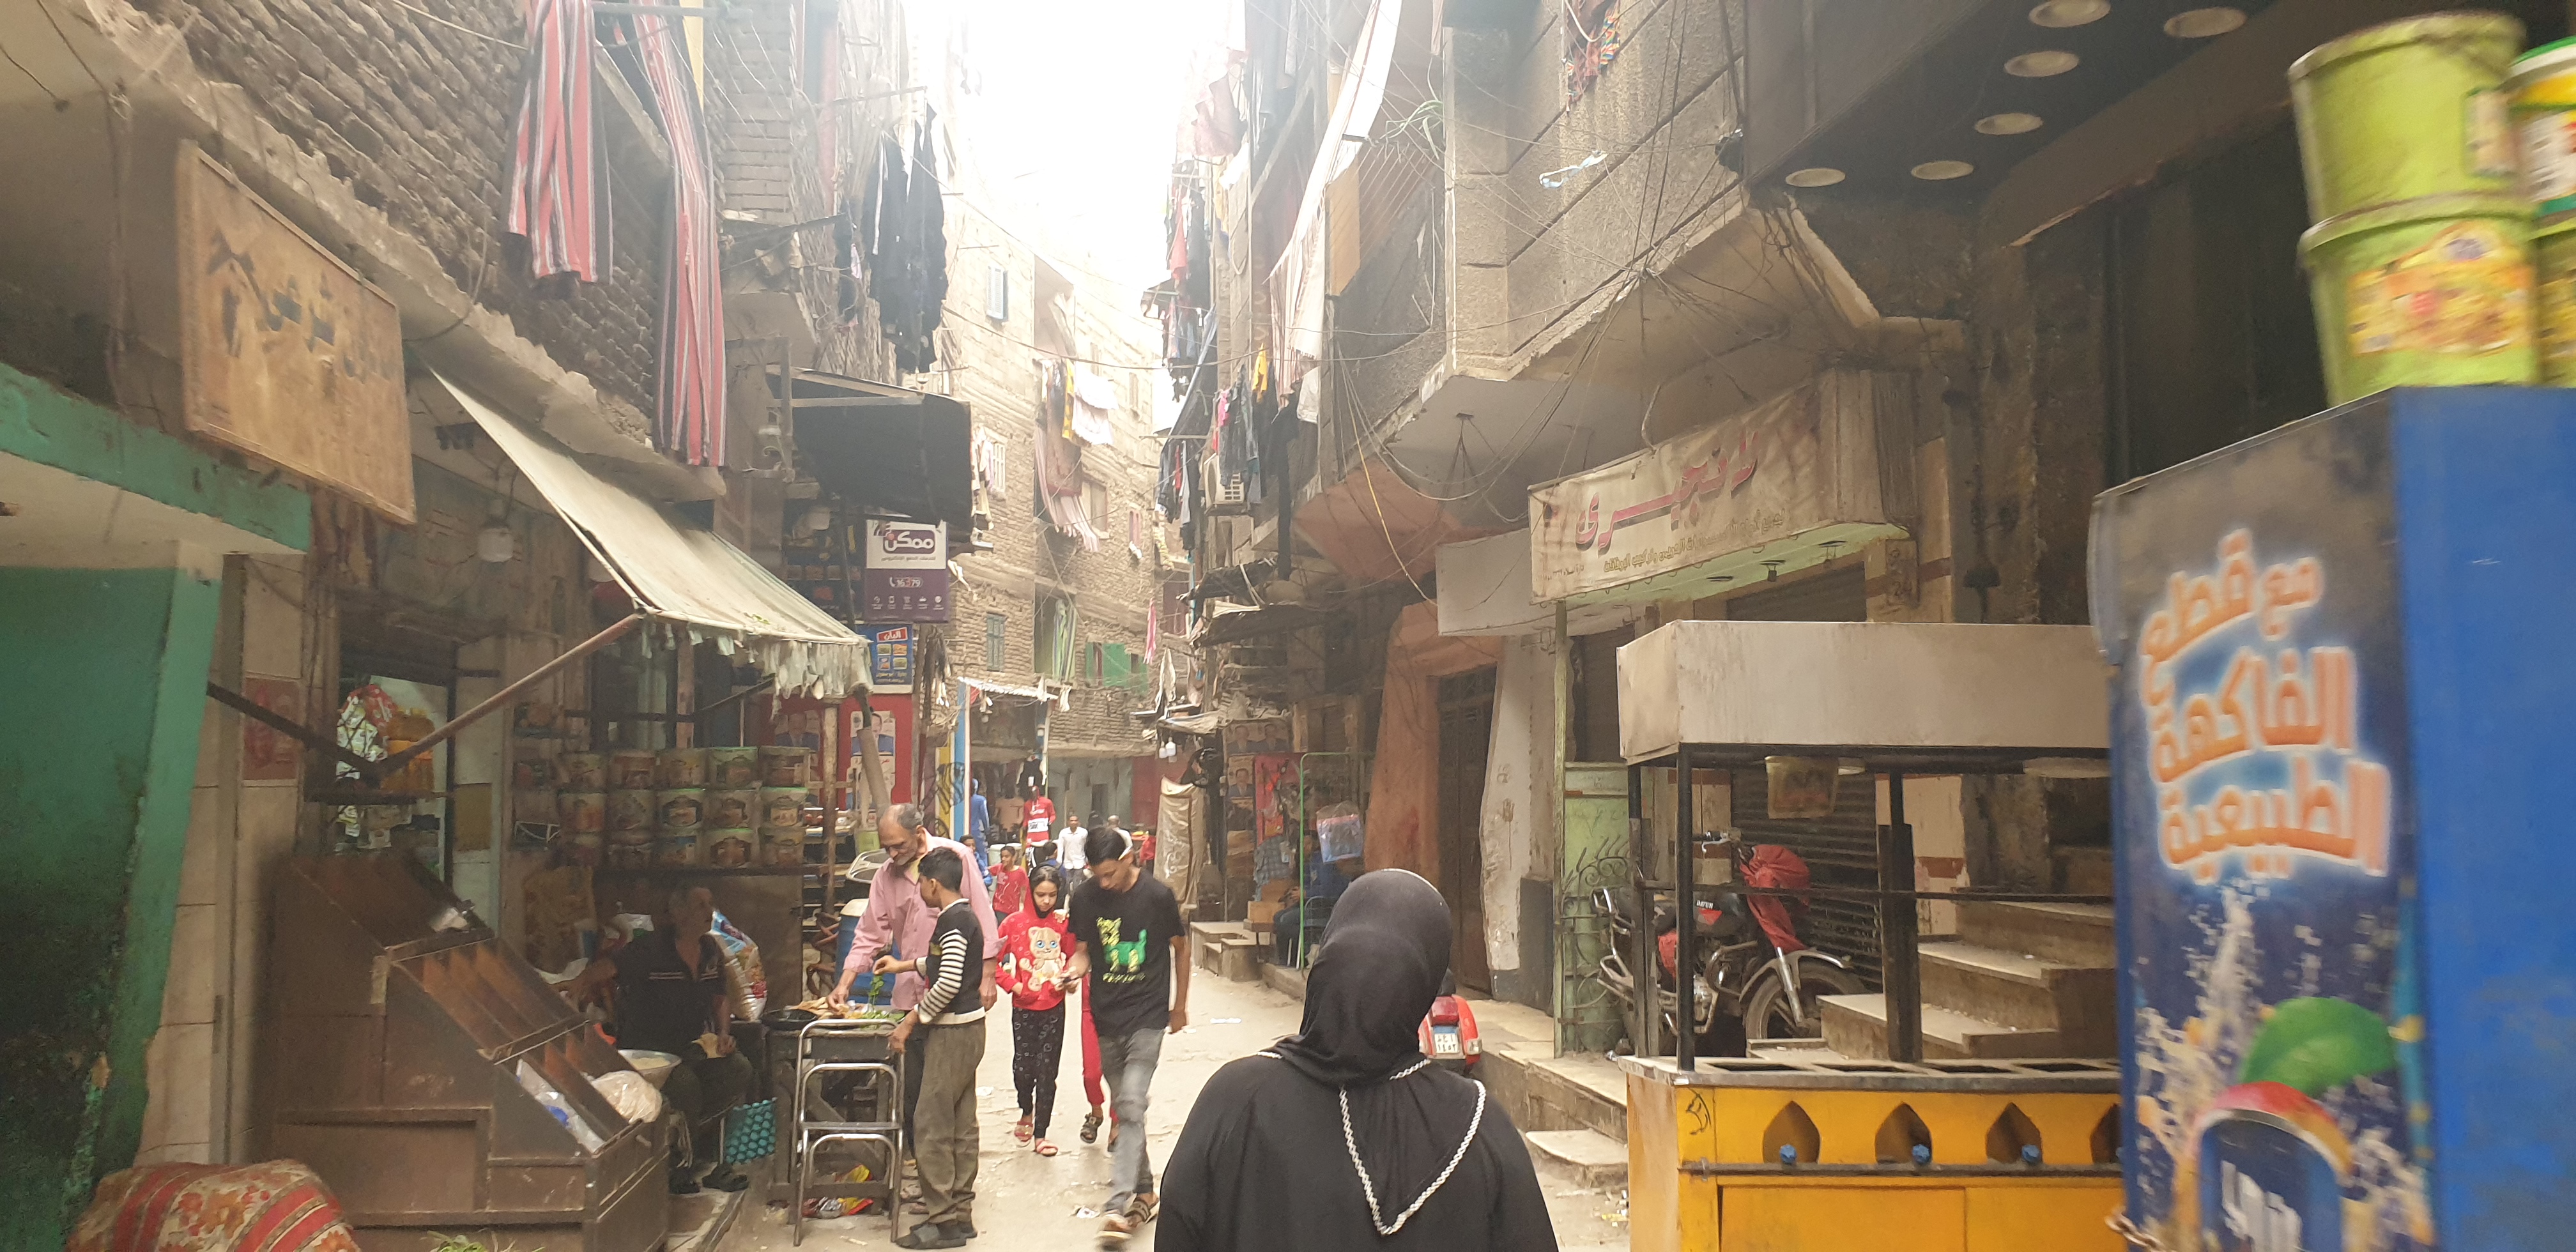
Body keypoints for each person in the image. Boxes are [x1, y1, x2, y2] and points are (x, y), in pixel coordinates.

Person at [1159, 871, 1558, 1252]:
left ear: (1325, 967)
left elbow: (1178, 1230)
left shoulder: (1234, 1100)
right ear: (1426, 985)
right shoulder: (1476, 1123)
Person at [829, 804, 1002, 1156]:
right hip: (910, 993)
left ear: (920, 833)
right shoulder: (885, 876)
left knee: (950, 1098)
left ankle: (948, 1172)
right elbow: (869, 933)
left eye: (899, 846)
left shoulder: (955, 858)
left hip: (954, 1005)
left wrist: (988, 975)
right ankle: (920, 1164)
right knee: (913, 1091)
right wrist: (844, 984)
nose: (893, 854)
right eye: (887, 847)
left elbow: (983, 917)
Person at [565, 885, 753, 1195]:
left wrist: (724, 1033)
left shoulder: (710, 950)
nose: (709, 912)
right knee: (685, 1086)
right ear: (678, 913)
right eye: (700, 905)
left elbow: (720, 998)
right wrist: (579, 984)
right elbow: (609, 967)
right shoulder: (651, 949)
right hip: (650, 1051)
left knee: (738, 1069)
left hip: (693, 1045)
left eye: (710, 904)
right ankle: (678, 1169)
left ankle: (699, 1146)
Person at [1066, 826, 1188, 1247]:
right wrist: (1072, 972)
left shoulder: (1158, 897)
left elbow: (1181, 948)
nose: (1104, 883)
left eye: (1110, 874)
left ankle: (1117, 1205)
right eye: (1096, 874)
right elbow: (1083, 952)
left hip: (1148, 1015)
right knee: (1126, 1107)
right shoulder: (1085, 897)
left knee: (1131, 1102)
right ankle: (1147, 1191)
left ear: (1129, 859)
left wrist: (1179, 1005)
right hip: (1107, 1016)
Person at [868, 846, 987, 1249]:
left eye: (920, 881)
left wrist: (910, 1021)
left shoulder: (954, 922)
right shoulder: (960, 918)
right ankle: (961, 1211)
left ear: (933, 884)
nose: (918, 888)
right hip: (969, 1030)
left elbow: (949, 983)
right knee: (961, 1122)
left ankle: (942, 1220)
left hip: (952, 1033)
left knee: (931, 1123)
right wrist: (903, 965)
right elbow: (944, 964)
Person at [998, 864, 1076, 1156]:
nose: (1046, 901)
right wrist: (1016, 986)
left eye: (1052, 895)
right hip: (1023, 1009)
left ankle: (1041, 1133)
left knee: (1047, 1073)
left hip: (1054, 1008)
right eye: (1041, 894)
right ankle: (1026, 1110)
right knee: (1023, 1069)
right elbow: (991, 962)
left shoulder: (1063, 923)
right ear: (1030, 892)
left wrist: (1069, 979)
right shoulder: (1013, 924)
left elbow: (1074, 958)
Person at [1272, 831, 1358, 968]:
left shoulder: (1324, 863)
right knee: (1278, 917)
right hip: (1311, 903)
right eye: (1302, 844)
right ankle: (1284, 959)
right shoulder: (1310, 862)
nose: (1304, 847)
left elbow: (1328, 890)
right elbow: (1310, 884)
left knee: (1287, 920)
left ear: (1316, 844)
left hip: (1324, 906)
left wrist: (1306, 893)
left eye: (1308, 844)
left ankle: (1299, 957)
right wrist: (1299, 891)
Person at [990, 843, 1030, 920]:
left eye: (1007, 856)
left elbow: (1024, 891)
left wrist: (1025, 908)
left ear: (1014, 857)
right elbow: (985, 871)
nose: (1003, 859)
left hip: (1013, 909)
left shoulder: (1021, 872)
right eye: (1002, 856)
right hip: (998, 907)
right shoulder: (999, 868)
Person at [1023, 786, 1057, 862]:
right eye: (1031, 793)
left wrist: (1050, 821)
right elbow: (1026, 818)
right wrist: (1024, 826)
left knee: (1045, 850)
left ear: (1038, 792)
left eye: (1034, 793)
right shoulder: (1027, 804)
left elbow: (1053, 815)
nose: (1033, 795)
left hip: (1043, 832)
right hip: (1032, 833)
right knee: (1029, 854)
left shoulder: (1047, 802)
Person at [967, 779, 992, 878]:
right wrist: (987, 829)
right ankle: (984, 875)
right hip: (978, 832)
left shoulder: (964, 801)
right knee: (982, 854)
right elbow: (985, 816)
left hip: (967, 833)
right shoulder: (980, 800)